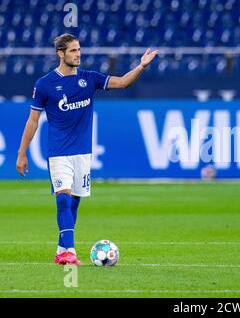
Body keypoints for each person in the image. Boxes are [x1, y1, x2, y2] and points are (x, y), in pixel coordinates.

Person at [15, 33, 158, 265]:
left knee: (74, 202)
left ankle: (62, 249)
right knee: (63, 199)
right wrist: (22, 153)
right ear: (60, 54)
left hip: (82, 153)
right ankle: (69, 252)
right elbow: (33, 121)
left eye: (79, 49)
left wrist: (141, 66)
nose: (78, 54)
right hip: (58, 152)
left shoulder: (89, 79)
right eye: (73, 50)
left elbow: (122, 82)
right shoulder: (44, 84)